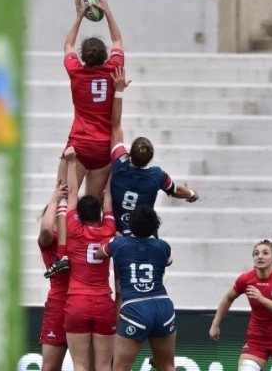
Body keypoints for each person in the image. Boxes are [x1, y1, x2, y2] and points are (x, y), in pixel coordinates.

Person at [109, 66, 200, 235]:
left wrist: (119, 91)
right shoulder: (157, 176)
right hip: (144, 236)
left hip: (119, 234)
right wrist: (192, 193)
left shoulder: (119, 163)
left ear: (129, 152)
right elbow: (175, 191)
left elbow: (115, 125)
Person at [58, 0, 124, 200]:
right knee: (93, 206)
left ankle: (61, 233)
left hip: (79, 144)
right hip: (103, 148)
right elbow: (117, 42)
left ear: (83, 57)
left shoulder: (76, 71)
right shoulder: (113, 69)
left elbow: (68, 45)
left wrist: (78, 17)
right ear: (105, 56)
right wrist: (108, 12)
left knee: (65, 199)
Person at [95, 205, 177, 371]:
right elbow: (168, 261)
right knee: (167, 366)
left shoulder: (118, 244)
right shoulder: (163, 246)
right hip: (163, 306)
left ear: (130, 224)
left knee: (121, 368)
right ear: (155, 225)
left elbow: (99, 253)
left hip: (135, 307)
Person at [62, 145, 117, 371]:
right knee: (104, 366)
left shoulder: (74, 228)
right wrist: (113, 170)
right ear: (100, 215)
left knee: (81, 366)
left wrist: (72, 161)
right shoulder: (109, 229)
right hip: (103, 302)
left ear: (81, 216)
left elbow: (73, 194)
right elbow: (109, 201)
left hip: (77, 302)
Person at [209, 239, 272, 371]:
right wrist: (215, 324)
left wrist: (261, 299)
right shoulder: (246, 279)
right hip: (256, 340)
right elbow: (228, 297)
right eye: (256, 253)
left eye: (265, 253)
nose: (260, 256)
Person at [37, 183, 70, 371]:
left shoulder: (79, 236)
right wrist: (54, 200)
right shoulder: (49, 241)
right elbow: (47, 229)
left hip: (81, 304)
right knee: (49, 368)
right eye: (58, 215)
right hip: (58, 307)